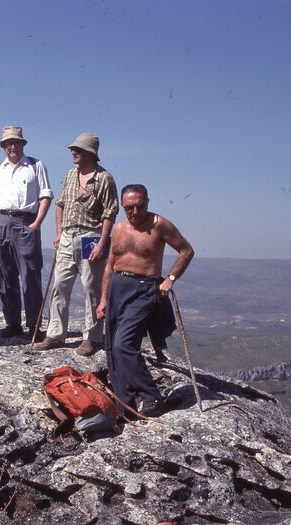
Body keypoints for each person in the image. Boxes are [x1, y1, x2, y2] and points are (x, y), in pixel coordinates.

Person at [96, 184, 194, 416]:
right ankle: (124, 400)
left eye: (140, 206)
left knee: (124, 344)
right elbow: (110, 266)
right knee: (111, 346)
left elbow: (186, 251)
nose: (135, 212)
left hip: (144, 288)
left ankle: (151, 396)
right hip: (118, 286)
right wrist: (103, 298)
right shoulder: (118, 229)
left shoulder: (160, 225)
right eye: (129, 207)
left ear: (147, 202)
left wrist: (169, 279)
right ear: (123, 206)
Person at [34, 132, 118, 356]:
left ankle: (92, 337)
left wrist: (102, 243)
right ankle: (55, 335)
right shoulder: (71, 174)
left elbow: (110, 213)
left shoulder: (104, 178)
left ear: (90, 152)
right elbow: (60, 203)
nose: (73, 152)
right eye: (73, 149)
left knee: (91, 288)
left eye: (78, 149)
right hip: (68, 236)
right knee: (59, 285)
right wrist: (59, 231)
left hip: (92, 237)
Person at [0, 126, 53, 340]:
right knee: (5, 274)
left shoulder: (35, 166)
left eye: (16, 142)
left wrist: (36, 223)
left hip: (26, 221)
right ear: (3, 146)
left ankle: (34, 324)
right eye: (8, 143)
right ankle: (12, 323)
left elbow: (46, 196)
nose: (12, 146)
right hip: (1, 222)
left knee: (30, 274)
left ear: (22, 143)